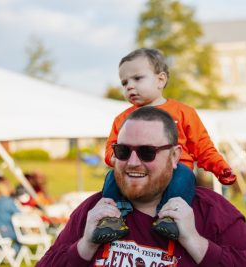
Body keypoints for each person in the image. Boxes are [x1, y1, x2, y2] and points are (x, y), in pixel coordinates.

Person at [37, 107, 246, 266]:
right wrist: (84, 246)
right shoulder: (95, 210)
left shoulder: (209, 211)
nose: (132, 162)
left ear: (174, 156)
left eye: (147, 152)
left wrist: (195, 242)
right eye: (122, 151)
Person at [96, 48, 236, 243]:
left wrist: (220, 167)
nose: (129, 86)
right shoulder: (122, 118)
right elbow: (111, 149)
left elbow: (202, 146)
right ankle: (112, 217)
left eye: (137, 78)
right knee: (112, 177)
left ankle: (170, 218)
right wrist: (121, 160)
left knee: (184, 177)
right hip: (137, 173)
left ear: (160, 80)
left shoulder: (183, 112)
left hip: (176, 170)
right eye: (124, 82)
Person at [0, 175, 21, 253]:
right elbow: (20, 215)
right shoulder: (8, 201)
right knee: (21, 235)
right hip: (5, 231)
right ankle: (13, 251)